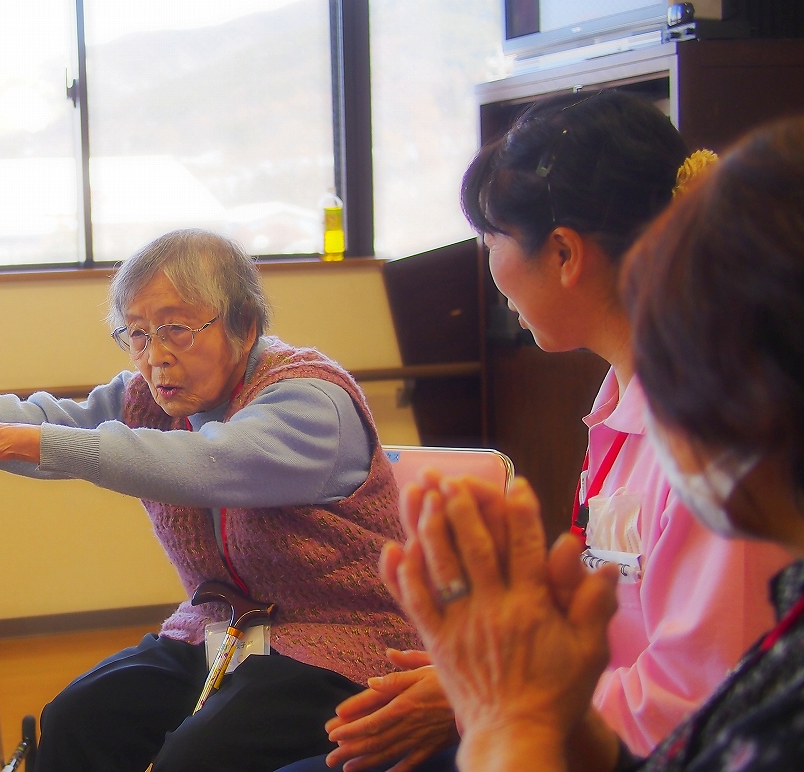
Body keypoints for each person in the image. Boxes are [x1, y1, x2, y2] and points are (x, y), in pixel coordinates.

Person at [0, 229, 420, 772]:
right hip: (224, 631)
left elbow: (206, 464)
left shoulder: (310, 400)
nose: (154, 357)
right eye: (137, 335)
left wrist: (19, 441)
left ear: (244, 325)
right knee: (77, 719)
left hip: (347, 647)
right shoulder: (153, 397)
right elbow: (49, 417)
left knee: (196, 760)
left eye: (176, 329)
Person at [297, 91, 790, 772]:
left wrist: (497, 703)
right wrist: (491, 668)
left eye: (492, 239)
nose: (490, 270)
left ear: (563, 252)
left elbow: (697, 702)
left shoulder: (713, 430)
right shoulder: (628, 393)